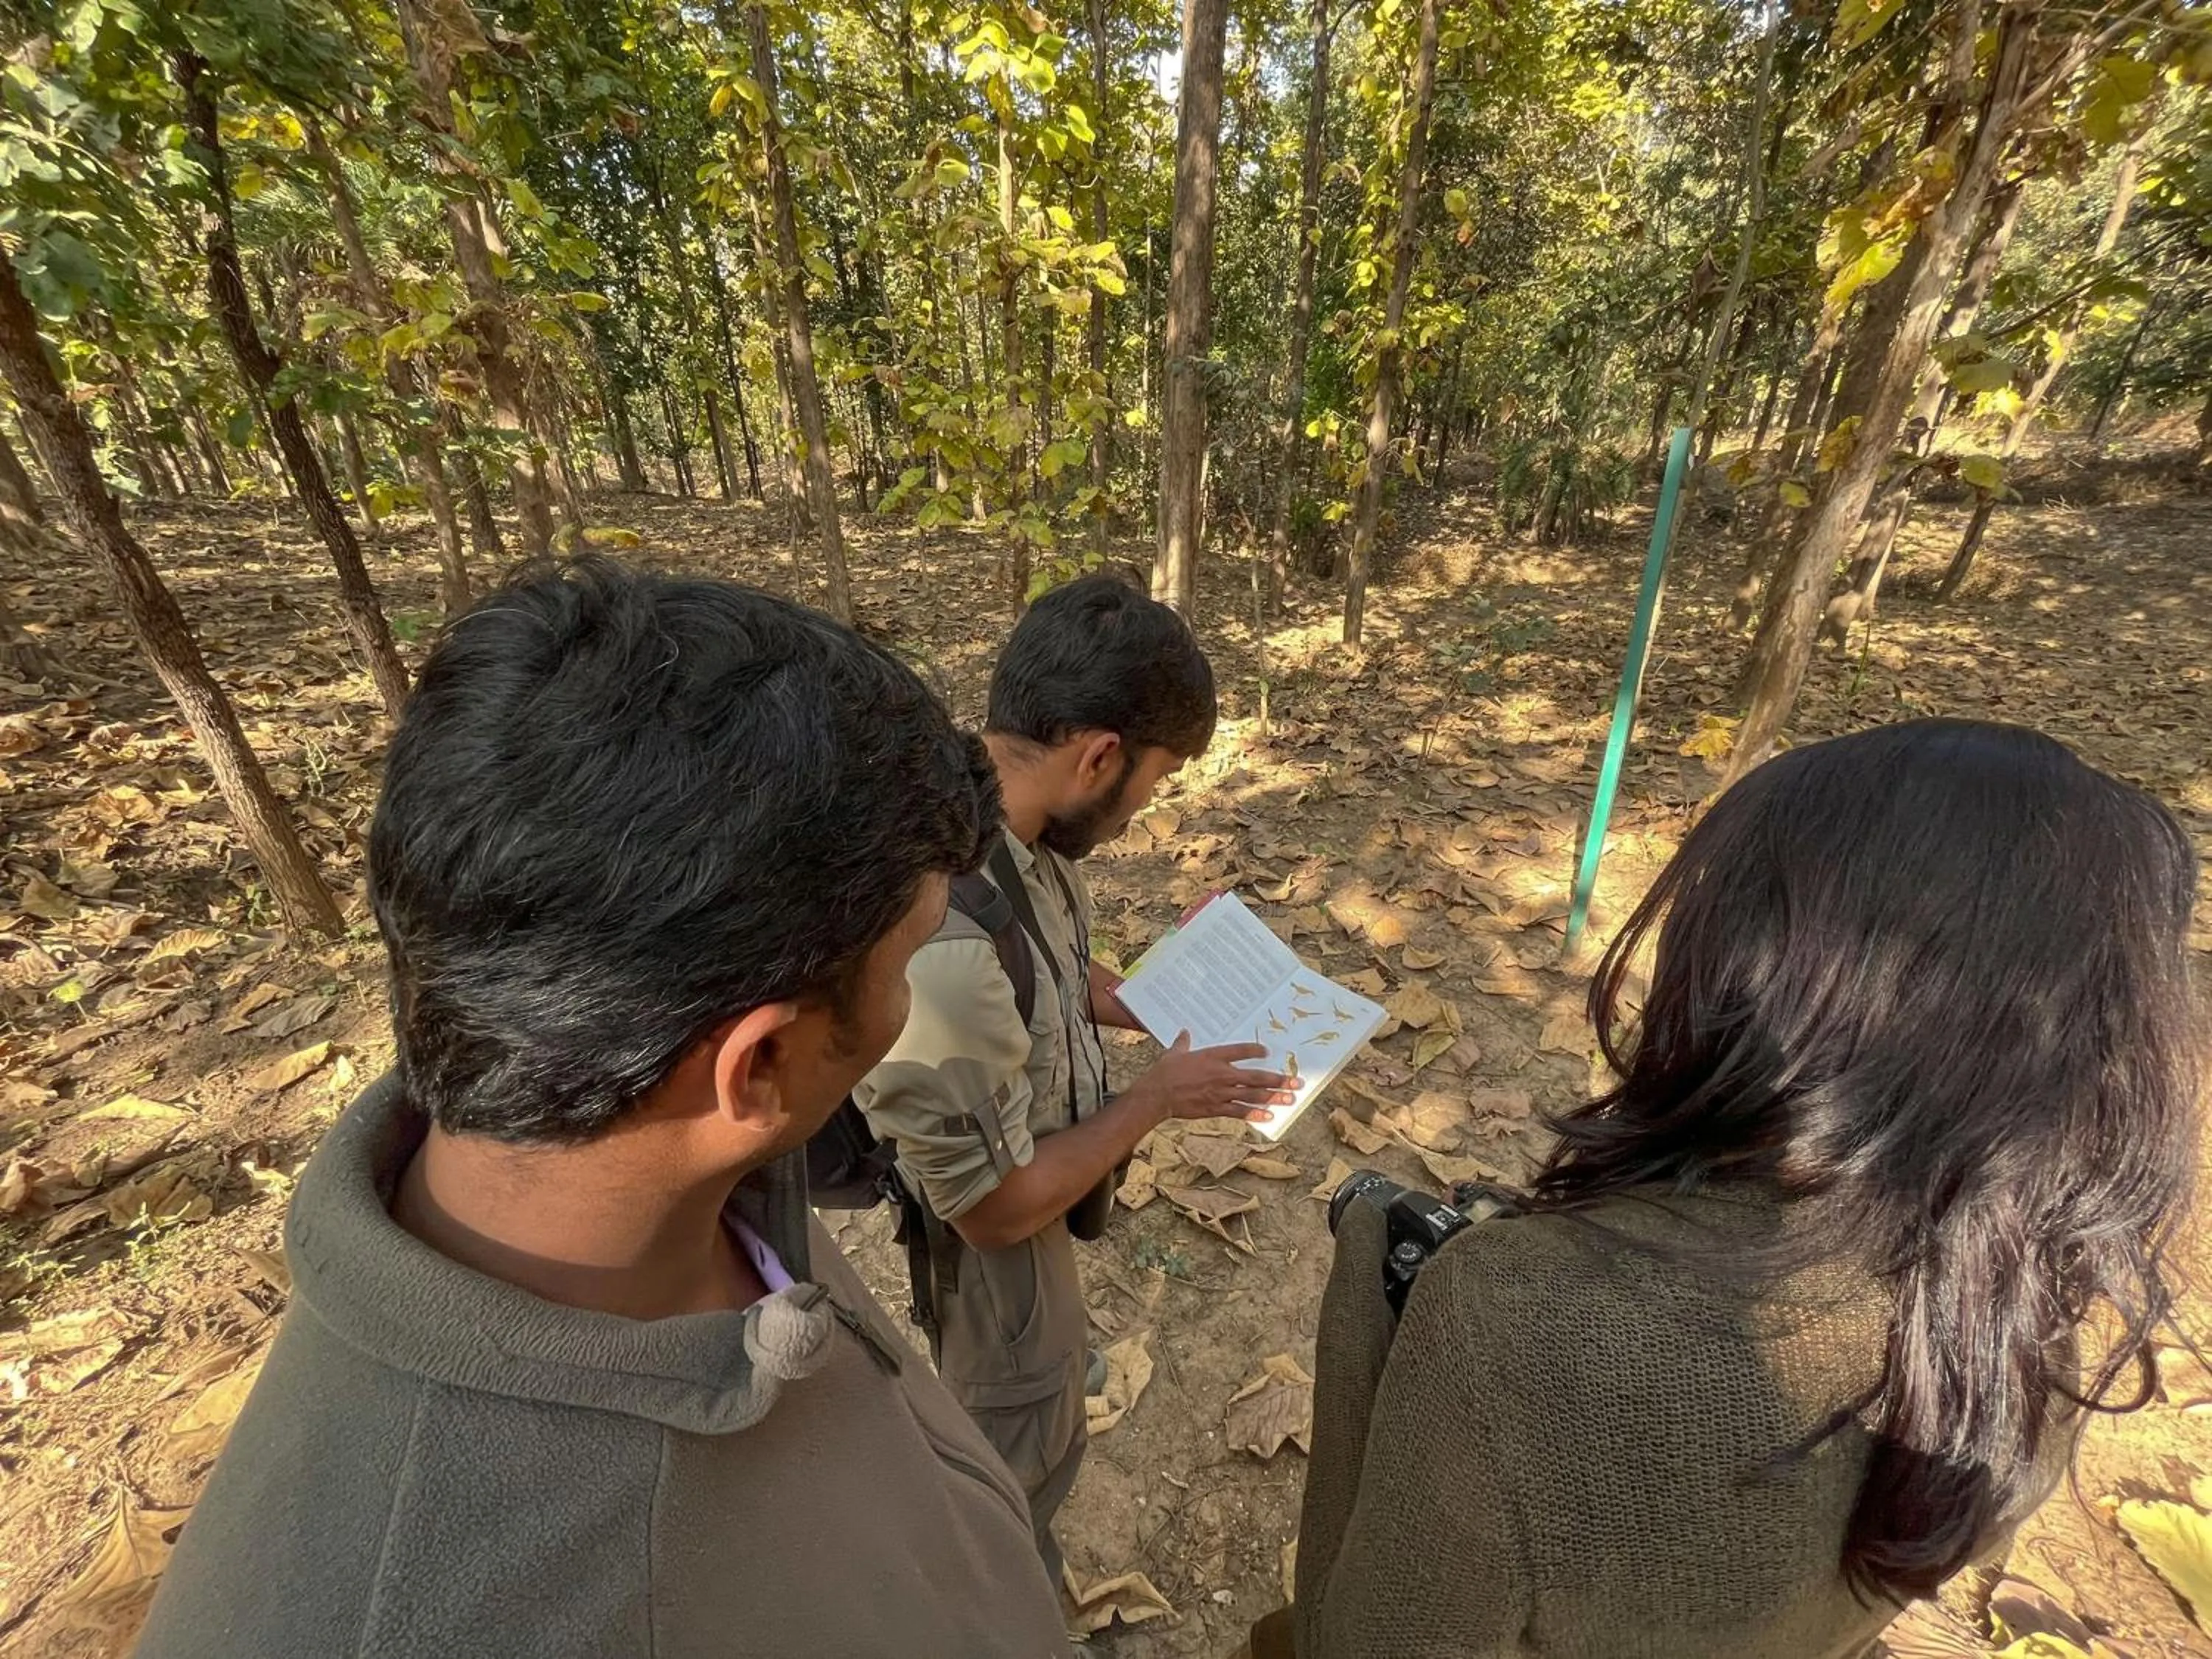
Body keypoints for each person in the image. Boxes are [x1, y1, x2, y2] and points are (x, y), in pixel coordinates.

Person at [138, 563, 1074, 1659]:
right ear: (759, 1063)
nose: (909, 1002)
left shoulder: (656, 1161)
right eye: (907, 961)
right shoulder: (409, 1621)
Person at [1267, 719, 2201, 1659]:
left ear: (1768, 972)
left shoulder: (1514, 1316)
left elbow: (1361, 1640)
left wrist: (1374, 1312)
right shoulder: (2023, 1326)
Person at [854, 573, 1296, 1580]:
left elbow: (1045, 966)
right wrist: (1156, 1098)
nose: (1148, 807)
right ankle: (1008, 1599)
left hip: (1034, 1176)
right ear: (1099, 754)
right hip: (996, 1254)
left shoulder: (1016, 827)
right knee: (1016, 1465)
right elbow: (992, 1211)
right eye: (1155, 780)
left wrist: (1147, 1002)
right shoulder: (940, 940)